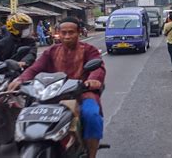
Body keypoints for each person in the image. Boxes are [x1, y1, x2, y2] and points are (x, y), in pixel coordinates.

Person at [8, 17, 105, 158]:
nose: (67, 36)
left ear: (79, 33)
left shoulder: (89, 50)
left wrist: (92, 80)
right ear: (58, 33)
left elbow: (98, 68)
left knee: (92, 115)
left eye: (71, 32)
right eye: (63, 32)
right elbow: (35, 68)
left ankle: (91, 154)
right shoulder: (51, 51)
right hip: (53, 94)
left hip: (82, 92)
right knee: (28, 114)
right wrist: (21, 79)